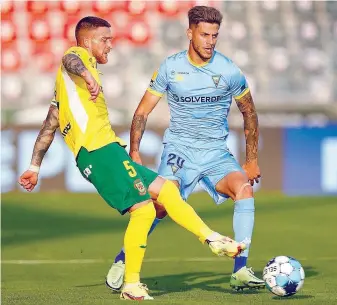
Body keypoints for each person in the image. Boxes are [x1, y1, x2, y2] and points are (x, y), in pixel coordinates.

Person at [17, 16, 246, 301]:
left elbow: (48, 127)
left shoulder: (64, 89)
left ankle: (211, 238)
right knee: (144, 210)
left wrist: (33, 166)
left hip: (106, 150)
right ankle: (132, 284)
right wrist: (88, 76)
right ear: (88, 40)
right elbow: (70, 61)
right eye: (105, 39)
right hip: (98, 151)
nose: (110, 45)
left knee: (167, 190)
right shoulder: (78, 57)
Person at [106, 6, 264, 292]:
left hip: (216, 152)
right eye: (204, 34)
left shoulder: (228, 69)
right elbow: (142, 111)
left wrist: (251, 159)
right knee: (160, 206)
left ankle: (240, 270)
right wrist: (135, 150)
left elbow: (249, 113)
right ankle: (124, 257)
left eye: (215, 35)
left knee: (244, 189)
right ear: (189, 33)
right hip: (179, 149)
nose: (210, 41)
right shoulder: (170, 67)